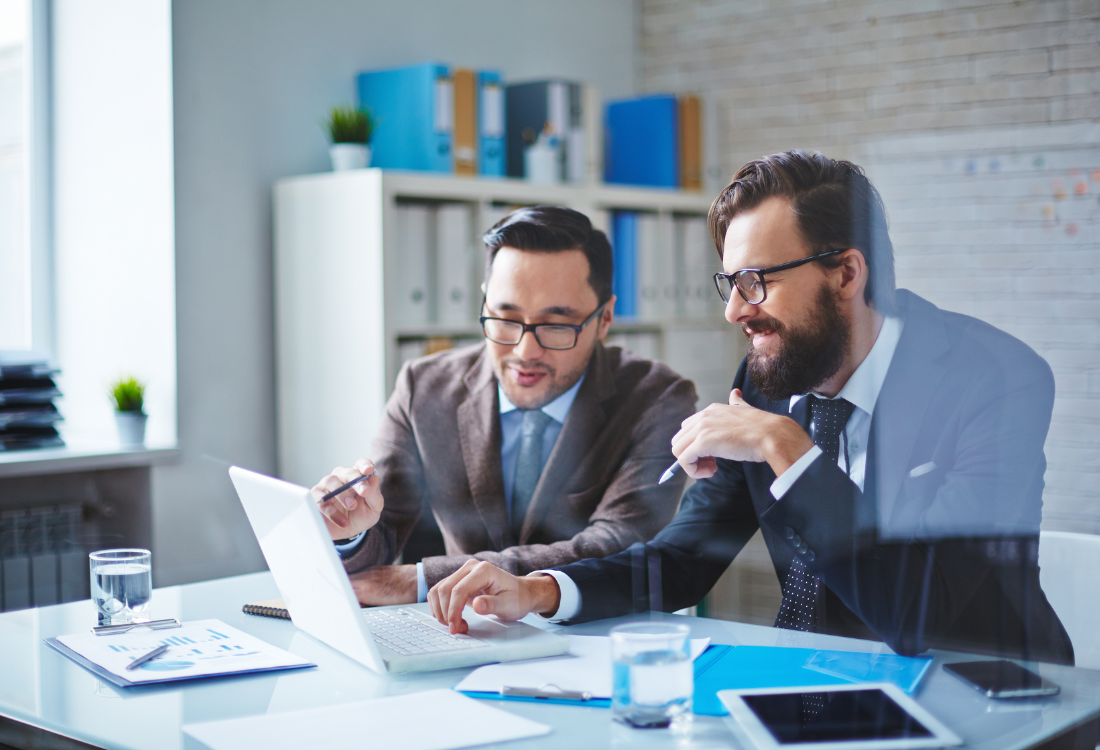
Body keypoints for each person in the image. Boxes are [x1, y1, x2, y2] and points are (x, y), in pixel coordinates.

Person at [427, 151, 1074, 665]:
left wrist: (789, 451)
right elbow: (682, 561)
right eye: (729, 283)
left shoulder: (995, 381)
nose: (735, 310)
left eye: (756, 281)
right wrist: (539, 592)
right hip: (810, 689)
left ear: (846, 275)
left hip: (988, 696)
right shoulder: (768, 382)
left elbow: (921, 610)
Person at [312, 206, 697, 606]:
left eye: (556, 325)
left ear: (605, 319)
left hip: (594, 636)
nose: (525, 351)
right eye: (505, 319)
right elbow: (382, 531)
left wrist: (424, 578)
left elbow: (617, 545)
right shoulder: (423, 388)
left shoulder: (658, 399)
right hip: (460, 633)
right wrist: (348, 529)